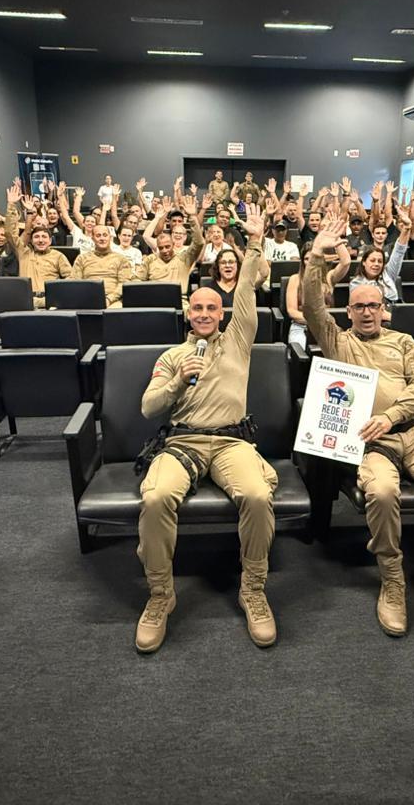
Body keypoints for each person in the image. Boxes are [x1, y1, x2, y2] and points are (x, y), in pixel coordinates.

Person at [302, 215, 414, 640]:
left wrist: (391, 416)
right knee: (380, 493)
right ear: (349, 312)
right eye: (359, 306)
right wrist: (316, 258)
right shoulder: (339, 341)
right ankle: (392, 579)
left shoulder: (403, 342)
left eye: (373, 306)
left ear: (384, 309)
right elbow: (311, 307)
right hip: (370, 444)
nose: (366, 312)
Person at [136, 204, 277, 652]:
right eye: (196, 307)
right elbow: (148, 408)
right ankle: (161, 595)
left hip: (232, 442)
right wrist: (178, 381)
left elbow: (247, 290)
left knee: (257, 496)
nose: (203, 313)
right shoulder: (173, 356)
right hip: (183, 443)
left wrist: (254, 242)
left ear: (221, 313)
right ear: (188, 313)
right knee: (155, 497)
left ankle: (253, 589)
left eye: (211, 308)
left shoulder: (238, 340)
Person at [5, 185, 72, 307]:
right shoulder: (23, 253)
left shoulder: (58, 256)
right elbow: (10, 233)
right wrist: (11, 205)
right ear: (31, 240)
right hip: (26, 300)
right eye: (36, 237)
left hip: (51, 300)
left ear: (50, 241)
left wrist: (59, 291)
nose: (40, 240)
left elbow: (71, 277)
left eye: (44, 237)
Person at [284, 231, 350, 354]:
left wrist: (336, 239)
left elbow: (345, 262)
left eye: (313, 258)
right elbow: (292, 311)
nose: (310, 262)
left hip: (328, 328)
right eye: (306, 259)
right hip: (301, 327)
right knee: (300, 352)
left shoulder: (329, 278)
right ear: (302, 261)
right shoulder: (295, 279)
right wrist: (315, 320)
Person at [350, 203, 412, 317]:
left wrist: (407, 227)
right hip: (371, 319)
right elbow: (360, 310)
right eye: (372, 260)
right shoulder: (357, 283)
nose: (376, 264)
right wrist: (391, 318)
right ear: (364, 263)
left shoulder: (388, 273)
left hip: (395, 314)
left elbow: (399, 251)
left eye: (380, 261)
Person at [71, 224, 134, 308]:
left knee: (116, 310)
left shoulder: (121, 259)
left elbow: (124, 283)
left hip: (113, 301)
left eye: (105, 235)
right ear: (92, 238)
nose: (102, 238)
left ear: (110, 238)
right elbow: (75, 282)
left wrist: (109, 299)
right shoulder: (82, 258)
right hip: (87, 298)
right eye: (98, 235)